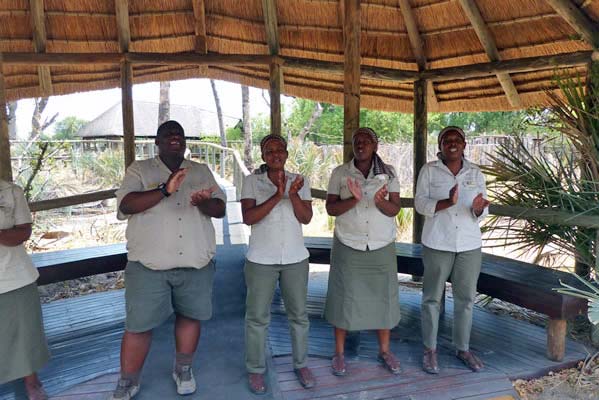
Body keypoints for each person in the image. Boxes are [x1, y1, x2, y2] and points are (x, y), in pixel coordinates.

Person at [108, 120, 226, 400]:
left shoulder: (200, 170)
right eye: (167, 134)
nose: (175, 137)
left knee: (190, 316)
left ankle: (183, 369)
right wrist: (164, 190)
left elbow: (219, 208)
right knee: (138, 325)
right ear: (157, 142)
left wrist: (203, 203)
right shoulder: (140, 169)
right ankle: (128, 381)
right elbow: (126, 205)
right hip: (150, 265)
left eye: (179, 134)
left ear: (184, 143)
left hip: (195, 263)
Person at [324, 127, 402, 376]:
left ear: (375, 145)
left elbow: (395, 209)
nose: (361, 145)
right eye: (357, 141)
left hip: (381, 244)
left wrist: (380, 201)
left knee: (384, 297)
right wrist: (354, 200)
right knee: (343, 297)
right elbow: (331, 209)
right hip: (348, 243)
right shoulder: (340, 173)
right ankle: (339, 353)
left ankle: (385, 351)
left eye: (367, 141)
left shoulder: (389, 173)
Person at [241, 134, 315, 394]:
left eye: (280, 150)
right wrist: (278, 195)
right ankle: (256, 369)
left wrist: (292, 195)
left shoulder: (299, 181)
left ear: (286, 153)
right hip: (261, 259)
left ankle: (301, 364)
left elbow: (306, 217)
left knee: (299, 316)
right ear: (262, 156)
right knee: (257, 318)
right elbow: (249, 217)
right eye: (269, 150)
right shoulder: (252, 182)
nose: (276, 154)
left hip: (295, 258)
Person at [414, 126, 490, 374]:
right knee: (432, 298)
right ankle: (429, 349)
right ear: (441, 145)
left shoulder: (475, 173)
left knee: (466, 299)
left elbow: (482, 210)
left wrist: (478, 208)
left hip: (469, 244)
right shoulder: (429, 170)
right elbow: (420, 204)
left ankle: (463, 348)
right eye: (447, 140)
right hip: (437, 242)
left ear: (465, 145)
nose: (453, 143)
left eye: (457, 140)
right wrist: (447, 202)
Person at [0, 180, 50, 400]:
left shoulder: (10, 191)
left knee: (25, 332)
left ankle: (32, 383)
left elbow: (22, 232)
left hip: (14, 274)